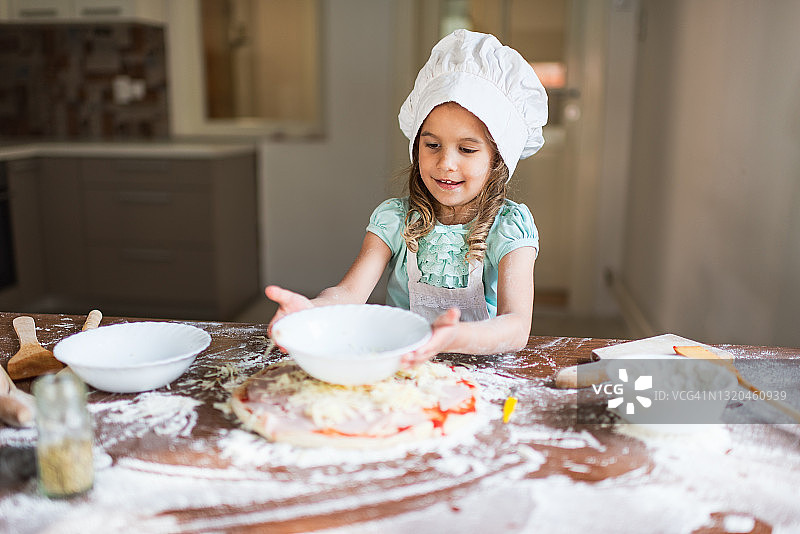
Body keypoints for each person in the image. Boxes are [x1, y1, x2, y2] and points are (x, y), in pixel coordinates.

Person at [266, 29, 548, 367]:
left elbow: (516, 326)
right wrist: (312, 311)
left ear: (498, 160)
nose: (446, 163)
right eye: (432, 145)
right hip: (401, 369)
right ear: (416, 146)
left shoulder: (509, 228)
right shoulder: (395, 219)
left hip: (480, 372)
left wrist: (454, 337)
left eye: (467, 149)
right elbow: (350, 293)